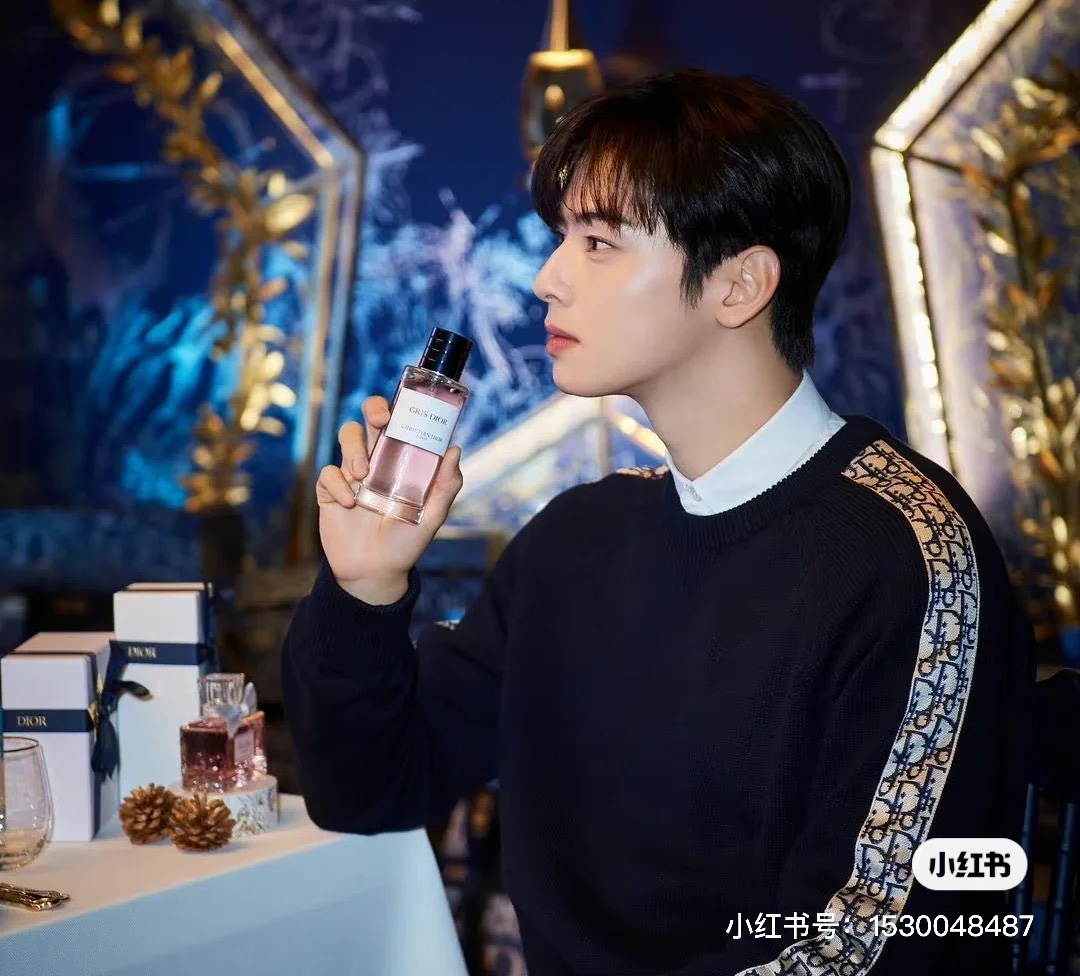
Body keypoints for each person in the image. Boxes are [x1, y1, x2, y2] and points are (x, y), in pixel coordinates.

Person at [282, 69, 1034, 976]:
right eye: (563, 238)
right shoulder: (577, 539)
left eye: (599, 243)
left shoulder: (906, 554)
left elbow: (873, 945)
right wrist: (365, 588)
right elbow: (369, 790)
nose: (548, 279)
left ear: (740, 284)